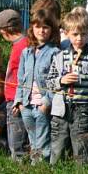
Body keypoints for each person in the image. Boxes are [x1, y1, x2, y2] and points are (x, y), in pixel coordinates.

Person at [46, 8, 88, 165]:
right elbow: (49, 82)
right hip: (61, 109)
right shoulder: (59, 55)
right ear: (66, 33)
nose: (79, 38)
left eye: (83, 34)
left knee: (82, 149)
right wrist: (61, 80)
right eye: (75, 34)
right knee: (57, 147)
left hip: (84, 109)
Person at [15, 8, 60, 163]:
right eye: (38, 26)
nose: (41, 30)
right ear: (32, 29)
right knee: (33, 141)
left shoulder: (55, 52)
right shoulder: (26, 53)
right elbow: (20, 79)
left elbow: (56, 80)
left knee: (43, 141)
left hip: (42, 105)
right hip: (27, 105)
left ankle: (41, 171)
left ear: (51, 30)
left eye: (45, 27)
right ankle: (36, 170)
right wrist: (19, 102)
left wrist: (46, 103)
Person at [0, 9, 28, 160]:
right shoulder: (20, 44)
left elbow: (23, 77)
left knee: (16, 144)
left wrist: (17, 100)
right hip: (13, 98)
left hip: (16, 100)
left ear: (3, 31)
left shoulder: (22, 46)